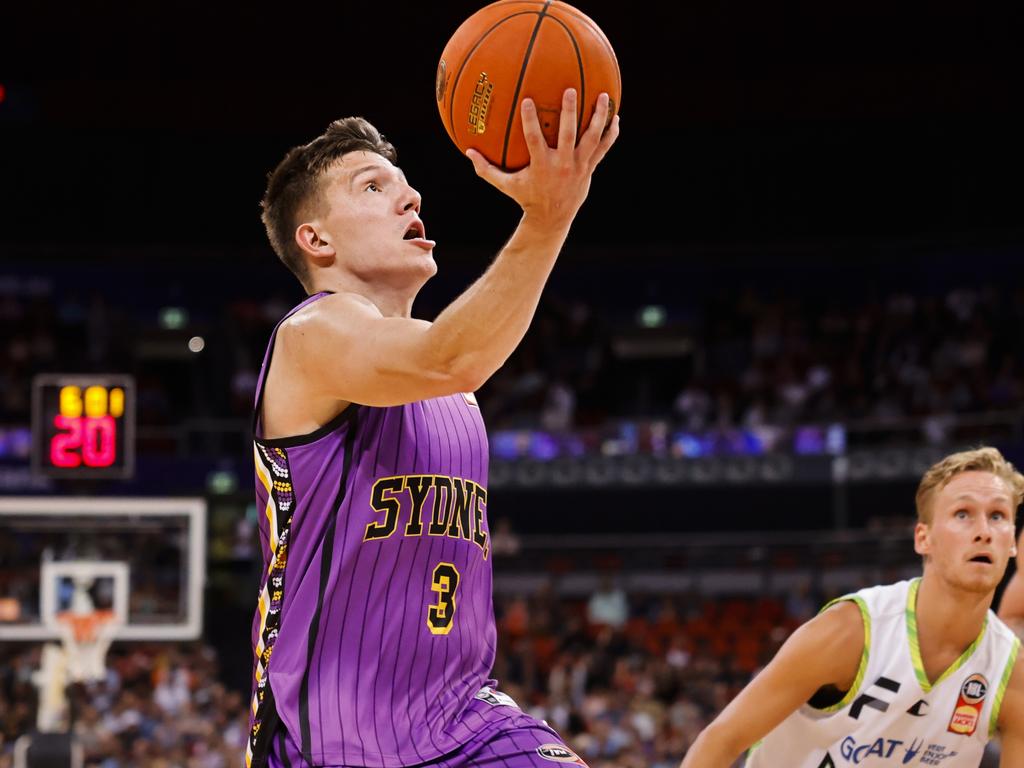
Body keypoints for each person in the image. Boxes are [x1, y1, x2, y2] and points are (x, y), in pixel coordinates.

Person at [245, 88, 619, 768]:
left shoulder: (452, 389)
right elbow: (454, 354)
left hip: (466, 718)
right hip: (331, 738)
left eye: (408, 186)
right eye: (373, 186)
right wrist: (548, 216)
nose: (411, 198)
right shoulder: (312, 335)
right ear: (316, 238)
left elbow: (453, 355)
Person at [680, 446, 1024, 767]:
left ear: (1012, 543)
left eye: (997, 516)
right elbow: (721, 740)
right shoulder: (851, 631)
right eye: (963, 514)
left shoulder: (1011, 672)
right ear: (923, 538)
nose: (983, 531)